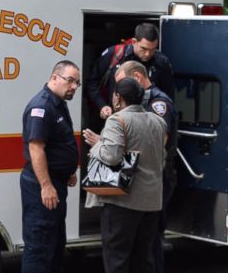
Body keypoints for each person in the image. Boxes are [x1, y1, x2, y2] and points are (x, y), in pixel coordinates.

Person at [83, 77, 166, 273]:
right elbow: (160, 158)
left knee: (117, 260)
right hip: (152, 202)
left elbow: (111, 156)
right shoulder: (158, 121)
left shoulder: (117, 120)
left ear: (117, 98)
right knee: (143, 259)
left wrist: (97, 145)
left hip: (123, 202)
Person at [116, 61, 177, 273]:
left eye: (123, 84)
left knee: (151, 243)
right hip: (145, 178)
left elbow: (156, 142)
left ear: (138, 78)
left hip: (155, 177)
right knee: (141, 245)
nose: (119, 93)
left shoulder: (158, 103)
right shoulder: (144, 101)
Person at [20, 60, 81, 273]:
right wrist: (46, 185)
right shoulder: (42, 106)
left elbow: (57, 144)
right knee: (39, 247)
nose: (74, 86)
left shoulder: (58, 103)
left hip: (57, 182)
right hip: (42, 187)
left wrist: (68, 171)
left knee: (54, 245)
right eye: (70, 80)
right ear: (54, 77)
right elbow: (36, 148)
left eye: (77, 83)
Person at [85, 23, 174, 125]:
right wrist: (102, 105)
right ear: (134, 42)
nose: (148, 54)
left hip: (146, 124)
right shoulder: (114, 55)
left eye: (153, 49)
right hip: (114, 119)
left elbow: (168, 96)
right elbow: (92, 84)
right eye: (144, 49)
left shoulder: (162, 63)